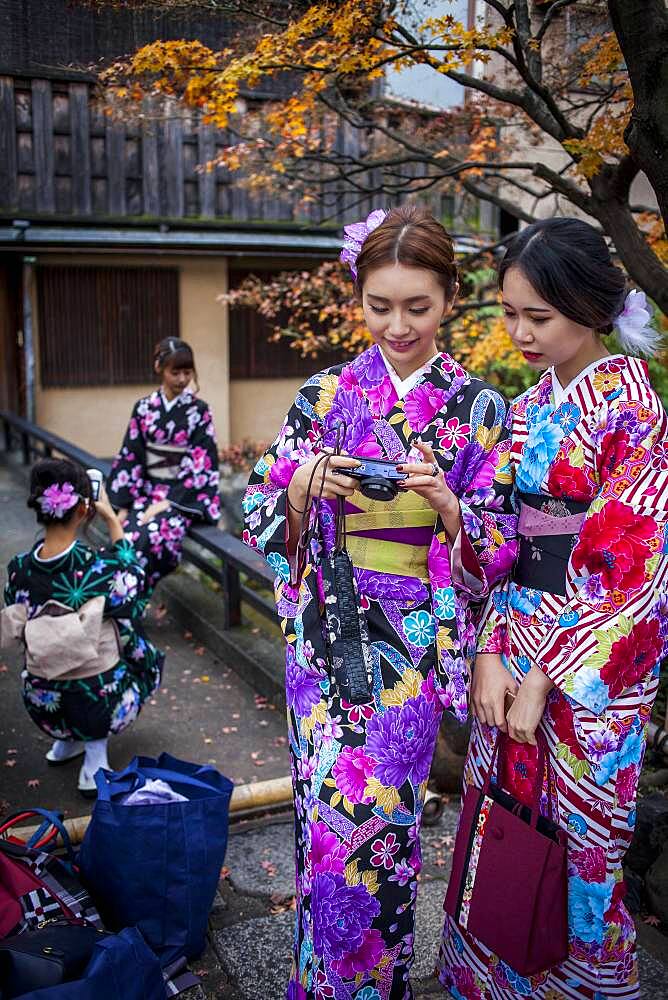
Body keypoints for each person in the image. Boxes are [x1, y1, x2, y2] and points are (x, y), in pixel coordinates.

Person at [243, 204, 517, 999]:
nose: (398, 325)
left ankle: (367, 985)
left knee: (382, 835)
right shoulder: (325, 393)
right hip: (324, 641)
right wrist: (300, 484)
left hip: (408, 652)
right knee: (322, 834)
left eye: (418, 306)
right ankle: (323, 984)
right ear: (357, 296)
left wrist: (449, 506)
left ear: (450, 299)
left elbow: (499, 549)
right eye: (380, 305)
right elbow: (264, 507)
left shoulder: (482, 409)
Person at [438, 218, 668, 999]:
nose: (519, 333)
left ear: (589, 307)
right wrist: (490, 655)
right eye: (509, 313)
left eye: (538, 316)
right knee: (503, 825)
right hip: (514, 638)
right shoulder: (528, 407)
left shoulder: (635, 412)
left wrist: (544, 678)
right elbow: (500, 539)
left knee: (579, 846)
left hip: (588, 661)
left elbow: (629, 566)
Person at [1, 458, 164, 797]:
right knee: (133, 638)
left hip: (43, 702)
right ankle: (94, 760)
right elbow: (135, 592)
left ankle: (65, 744)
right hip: (98, 703)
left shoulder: (18, 569)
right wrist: (111, 521)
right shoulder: (97, 567)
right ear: (82, 510)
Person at [107, 337, 221, 594]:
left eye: (187, 372)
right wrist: (122, 504)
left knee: (152, 536)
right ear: (159, 368)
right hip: (146, 492)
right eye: (175, 372)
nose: (182, 379)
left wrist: (168, 502)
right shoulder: (144, 408)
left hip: (180, 499)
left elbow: (203, 462)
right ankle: (123, 602)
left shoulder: (199, 411)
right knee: (124, 538)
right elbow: (131, 454)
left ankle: (128, 601)